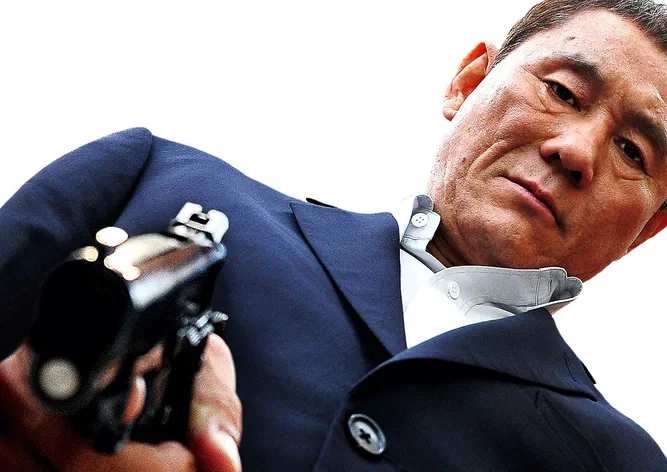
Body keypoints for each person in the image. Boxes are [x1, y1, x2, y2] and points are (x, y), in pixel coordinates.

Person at [1, 0, 667, 470]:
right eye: (562, 91)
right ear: (467, 83)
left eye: (633, 151)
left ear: (649, 228)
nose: (576, 151)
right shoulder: (150, 177)